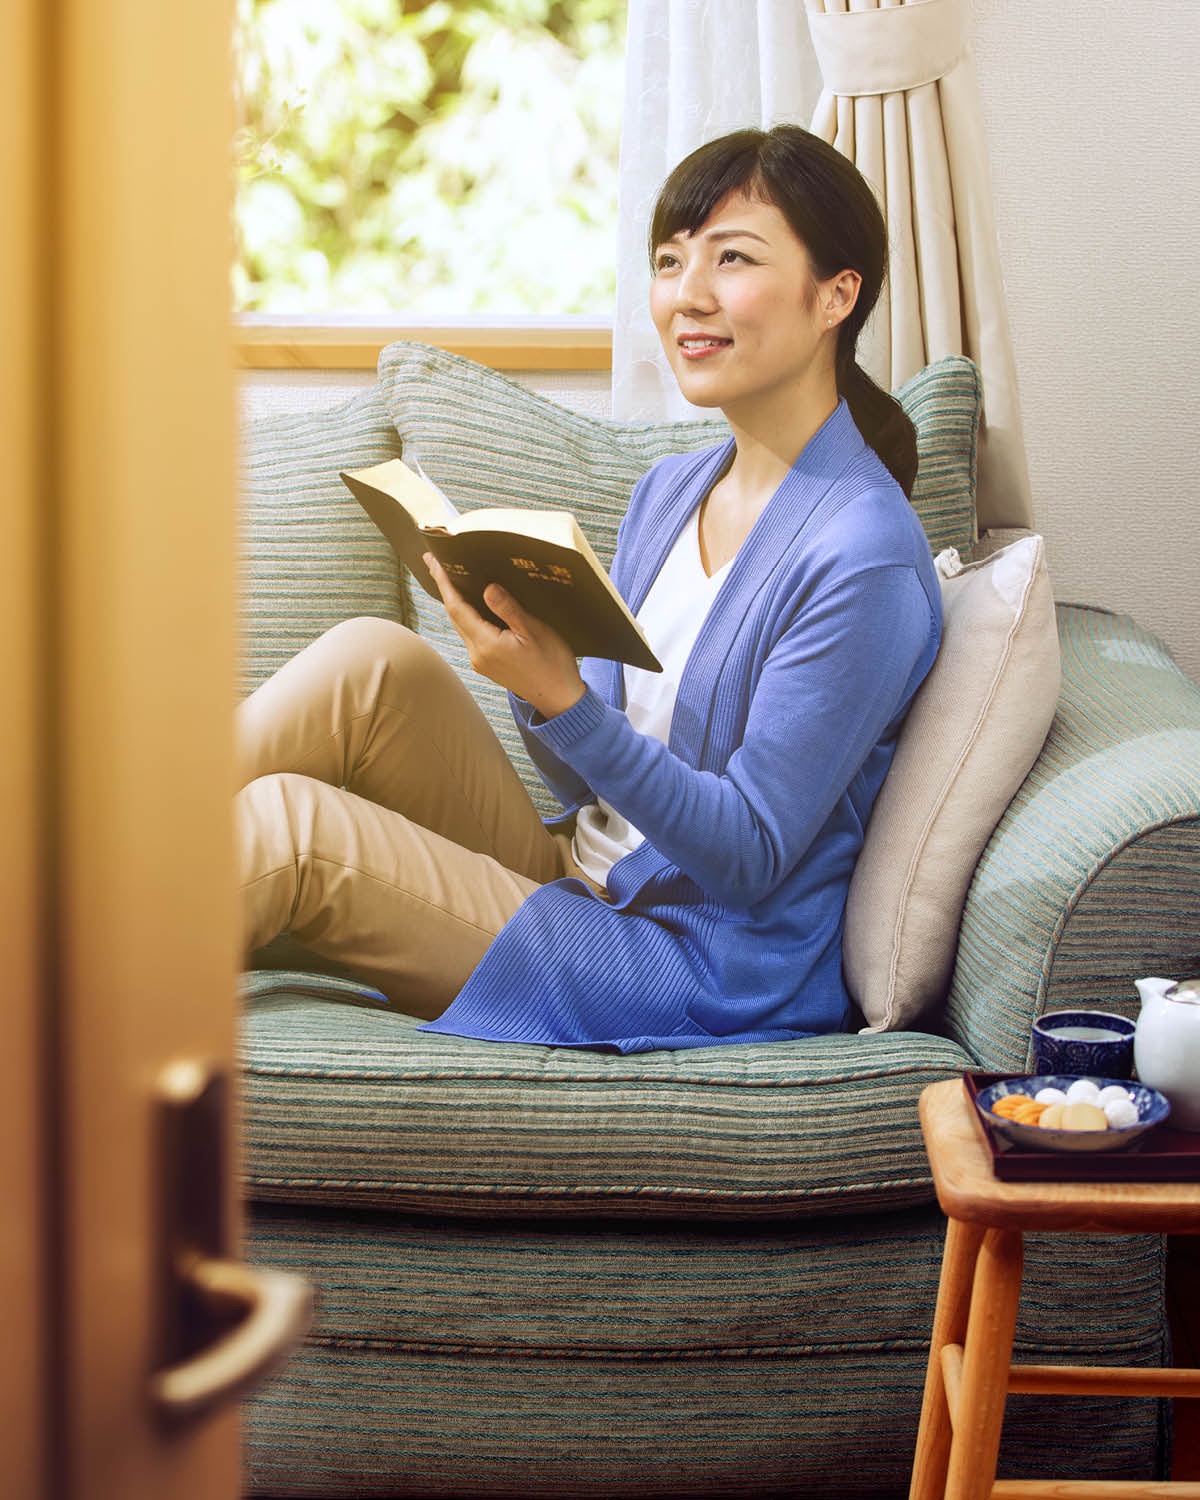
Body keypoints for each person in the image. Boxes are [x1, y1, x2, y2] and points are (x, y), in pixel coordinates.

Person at [237, 124, 942, 1053]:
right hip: (586, 875)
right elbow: (581, 783)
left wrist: (563, 698)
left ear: (835, 295)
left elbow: (747, 857)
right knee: (375, 661)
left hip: (691, 960)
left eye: (732, 258)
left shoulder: (863, 557)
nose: (687, 295)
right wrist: (545, 683)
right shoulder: (671, 493)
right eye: (669, 260)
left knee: (291, 829)